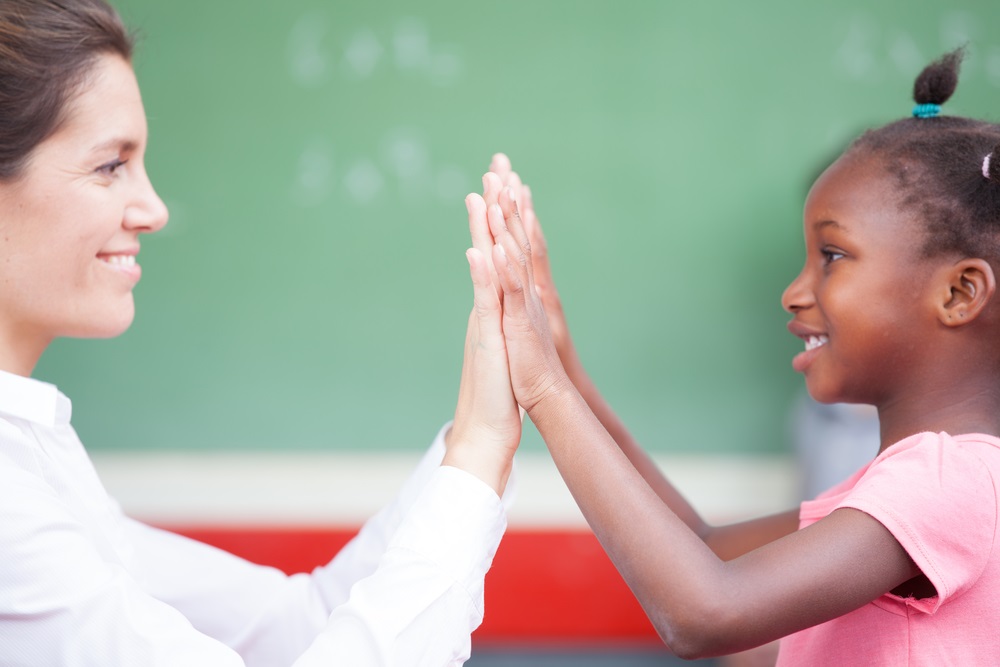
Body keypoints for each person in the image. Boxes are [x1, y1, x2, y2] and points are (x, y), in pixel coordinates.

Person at [0, 1, 521, 665]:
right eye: (110, 166)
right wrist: (480, 444)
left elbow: (301, 623)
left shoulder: (35, 454)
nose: (154, 209)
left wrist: (477, 428)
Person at [471, 48, 1000, 665]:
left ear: (959, 293)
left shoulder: (950, 480)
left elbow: (705, 613)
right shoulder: (918, 481)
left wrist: (545, 390)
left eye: (831, 256)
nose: (793, 292)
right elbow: (707, 548)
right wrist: (566, 373)